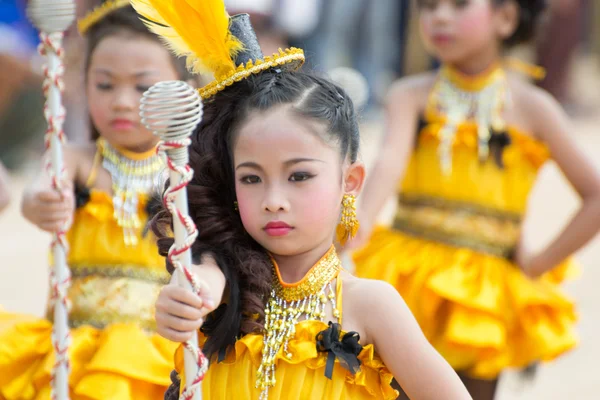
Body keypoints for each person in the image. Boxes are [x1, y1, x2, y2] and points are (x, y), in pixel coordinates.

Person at [131, 0, 472, 398]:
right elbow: (204, 277)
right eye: (252, 178)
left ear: (350, 181)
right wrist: (189, 296)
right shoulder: (225, 287)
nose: (274, 199)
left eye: (299, 176)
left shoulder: (370, 305)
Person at [348, 0, 600, 399]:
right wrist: (360, 225)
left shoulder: (535, 108)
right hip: (410, 274)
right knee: (388, 386)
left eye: (459, 5)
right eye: (428, 7)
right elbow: (389, 163)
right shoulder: (410, 96)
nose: (439, 17)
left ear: (506, 17)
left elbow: (595, 196)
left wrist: (539, 263)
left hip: (483, 290)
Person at [0, 1, 195, 398]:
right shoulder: (72, 158)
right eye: (104, 84)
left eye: (142, 86)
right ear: (81, 83)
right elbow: (37, 192)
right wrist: (40, 203)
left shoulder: (188, 174)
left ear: (183, 92)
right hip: (73, 345)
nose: (122, 101)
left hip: (152, 352)